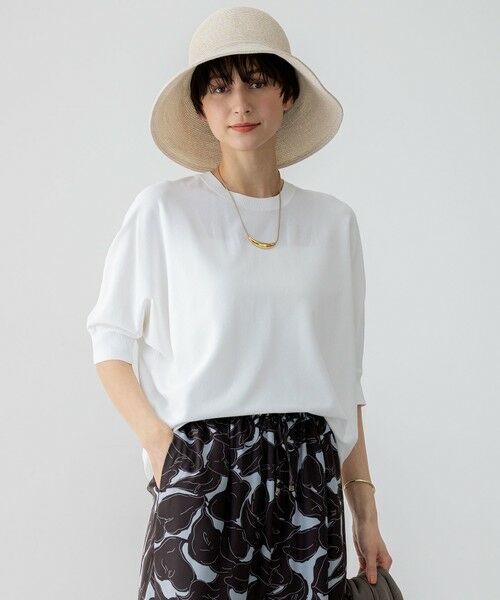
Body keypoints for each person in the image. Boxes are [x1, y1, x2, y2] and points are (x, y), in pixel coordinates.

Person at [86, 7, 393, 599]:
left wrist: (365, 507)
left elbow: (345, 376)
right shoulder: (165, 212)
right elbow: (110, 342)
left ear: (288, 94)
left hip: (309, 475)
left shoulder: (334, 224)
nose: (240, 104)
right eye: (220, 88)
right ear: (201, 108)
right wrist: (164, 450)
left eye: (256, 81)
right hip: (202, 467)